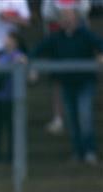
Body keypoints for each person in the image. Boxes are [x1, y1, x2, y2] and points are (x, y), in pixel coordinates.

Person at [31, 8, 103, 165]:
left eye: (69, 17)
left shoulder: (85, 34)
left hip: (85, 83)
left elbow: (100, 44)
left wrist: (100, 55)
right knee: (72, 120)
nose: (66, 20)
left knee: (85, 117)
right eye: (63, 17)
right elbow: (37, 50)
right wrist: (25, 59)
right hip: (66, 84)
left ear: (76, 19)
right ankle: (78, 152)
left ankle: (89, 151)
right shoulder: (56, 38)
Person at [41, 0, 92, 135]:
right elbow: (46, 13)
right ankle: (58, 118)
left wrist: (71, 13)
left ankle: (81, 118)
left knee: (81, 77)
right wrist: (64, 15)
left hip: (79, 38)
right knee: (57, 80)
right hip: (57, 39)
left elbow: (86, 8)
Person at [0, 32, 26, 162]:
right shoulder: (1, 57)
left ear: (15, 42)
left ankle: (12, 155)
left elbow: (24, 62)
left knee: (11, 128)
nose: (6, 41)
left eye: (9, 39)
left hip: (12, 99)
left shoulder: (18, 56)